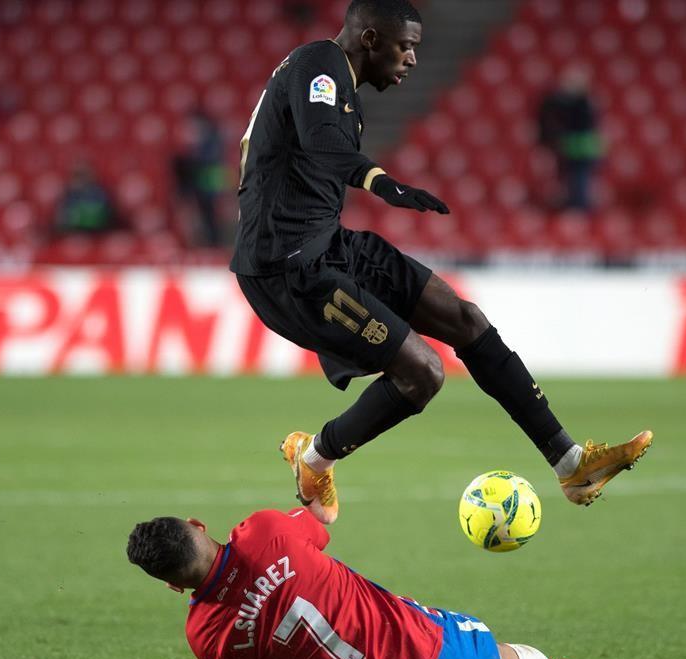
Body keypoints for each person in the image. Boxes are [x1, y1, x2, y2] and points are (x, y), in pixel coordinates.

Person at [231, 0, 652, 525]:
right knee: (423, 374)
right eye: (405, 46)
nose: (411, 60)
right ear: (368, 39)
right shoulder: (319, 63)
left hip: (327, 245)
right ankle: (313, 457)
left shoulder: (338, 85)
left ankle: (571, 464)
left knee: (465, 320)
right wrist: (380, 181)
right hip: (289, 268)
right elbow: (321, 145)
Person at [127, 508, 574, 659]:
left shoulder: (205, 639)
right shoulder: (263, 531)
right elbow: (323, 514)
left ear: (171, 584)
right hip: (425, 653)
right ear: (197, 525)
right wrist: (311, 469)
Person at [537, 66, 603, 211]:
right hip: (571, 147)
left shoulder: (583, 102)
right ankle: (572, 205)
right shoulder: (570, 101)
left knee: (580, 180)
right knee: (569, 179)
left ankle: (579, 207)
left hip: (582, 148)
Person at [173, 110, 228, 247]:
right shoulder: (181, 160)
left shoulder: (214, 153)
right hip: (194, 197)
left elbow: (219, 187)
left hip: (209, 200)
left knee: (213, 222)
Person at [51, 161, 123, 236]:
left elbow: (109, 219)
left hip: (99, 235)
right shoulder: (67, 195)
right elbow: (60, 223)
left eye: (83, 175)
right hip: (73, 236)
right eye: (77, 175)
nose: (80, 179)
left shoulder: (102, 193)